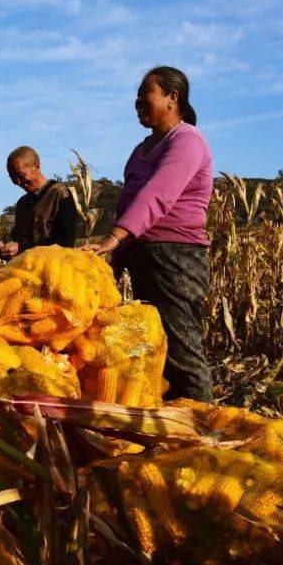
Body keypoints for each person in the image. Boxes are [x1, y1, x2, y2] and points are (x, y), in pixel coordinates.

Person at [82, 67, 214, 402]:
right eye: (138, 93)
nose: (138, 100)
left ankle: (205, 424)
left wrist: (114, 237)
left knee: (182, 352)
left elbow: (159, 194)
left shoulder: (187, 140)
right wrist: (114, 256)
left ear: (172, 98)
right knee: (156, 350)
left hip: (176, 256)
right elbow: (129, 202)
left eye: (146, 92)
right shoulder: (140, 150)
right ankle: (171, 422)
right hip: (142, 254)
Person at [0, 146, 78, 259]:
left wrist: (22, 249)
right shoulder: (22, 204)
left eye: (21, 176)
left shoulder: (60, 194)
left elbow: (66, 243)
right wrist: (4, 248)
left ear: (36, 167)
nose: (18, 182)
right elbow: (17, 240)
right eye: (13, 178)